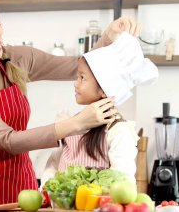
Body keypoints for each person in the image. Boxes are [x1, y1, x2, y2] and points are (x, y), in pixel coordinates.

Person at [0, 0, 141, 212]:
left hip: (23, 190)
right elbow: (8, 140)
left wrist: (108, 36)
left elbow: (76, 66)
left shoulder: (17, 59)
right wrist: (77, 123)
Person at [41, 32, 158, 186]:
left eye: (82, 78)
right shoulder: (70, 124)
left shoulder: (118, 131)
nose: (75, 83)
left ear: (105, 89)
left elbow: (122, 182)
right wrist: (47, 190)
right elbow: (53, 166)